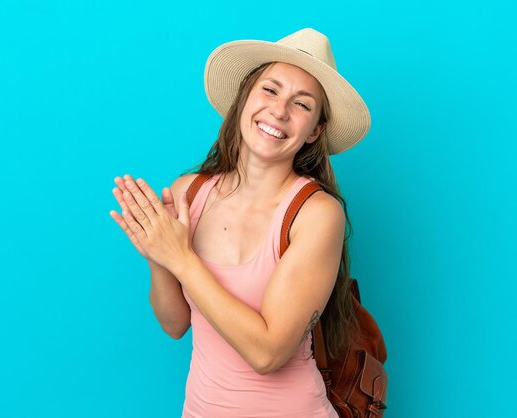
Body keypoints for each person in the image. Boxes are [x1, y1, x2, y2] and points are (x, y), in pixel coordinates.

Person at [109, 28, 371, 418]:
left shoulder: (316, 213)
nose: (279, 111)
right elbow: (175, 324)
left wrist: (180, 257)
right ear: (243, 97)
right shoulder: (189, 193)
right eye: (269, 90)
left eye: (302, 104)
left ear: (315, 130)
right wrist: (157, 251)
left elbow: (268, 353)